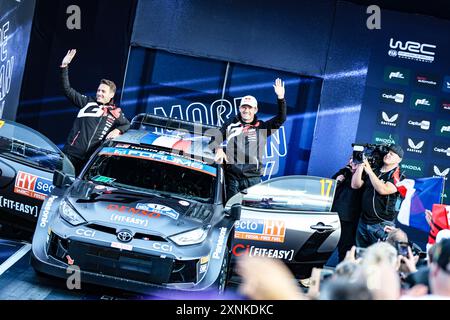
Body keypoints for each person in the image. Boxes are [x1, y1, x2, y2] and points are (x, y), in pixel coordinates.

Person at [211, 78, 287, 199]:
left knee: (251, 213)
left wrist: (281, 98)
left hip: (253, 180)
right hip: (232, 179)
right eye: (244, 107)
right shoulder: (231, 123)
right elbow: (214, 139)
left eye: (250, 107)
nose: (246, 110)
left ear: (255, 109)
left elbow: (281, 118)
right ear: (240, 108)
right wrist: (219, 149)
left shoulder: (262, 127)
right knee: (229, 211)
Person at [60, 49, 130, 174]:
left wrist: (117, 130)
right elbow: (67, 90)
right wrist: (64, 66)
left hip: (90, 161)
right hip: (71, 154)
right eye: (98, 90)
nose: (99, 93)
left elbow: (127, 124)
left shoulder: (115, 112)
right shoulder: (87, 102)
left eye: (103, 91)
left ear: (111, 94)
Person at [351, 144, 405, 247]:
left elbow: (383, 190)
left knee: (378, 257)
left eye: (392, 154)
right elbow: (355, 185)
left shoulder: (399, 175)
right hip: (363, 221)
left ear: (399, 160)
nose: (388, 155)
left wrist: (370, 172)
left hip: (381, 224)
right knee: (360, 255)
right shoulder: (375, 169)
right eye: (388, 152)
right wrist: (361, 165)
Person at [331, 158, 363, 262]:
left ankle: (342, 274)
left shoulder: (363, 176)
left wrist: (356, 171)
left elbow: (356, 186)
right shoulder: (343, 171)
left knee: (345, 252)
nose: (351, 162)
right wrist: (338, 180)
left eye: (354, 161)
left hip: (348, 220)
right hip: (332, 217)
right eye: (350, 159)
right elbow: (330, 185)